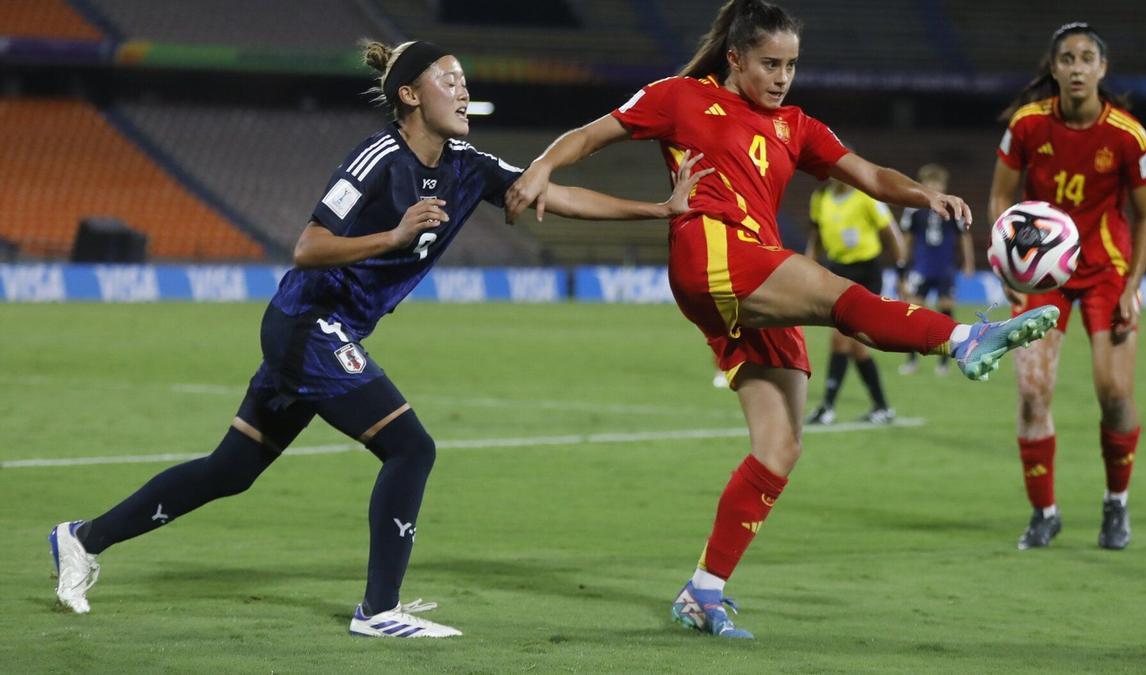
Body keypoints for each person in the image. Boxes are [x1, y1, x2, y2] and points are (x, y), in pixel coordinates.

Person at [47, 39, 707, 637]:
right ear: (410, 95)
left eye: (464, 79)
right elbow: (308, 247)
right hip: (307, 324)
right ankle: (378, 609)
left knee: (231, 470)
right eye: (449, 79)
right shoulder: (377, 158)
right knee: (411, 446)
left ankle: (83, 537)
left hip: (323, 333)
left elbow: (550, 195)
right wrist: (392, 236)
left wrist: (658, 210)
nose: (462, 89)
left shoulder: (467, 165)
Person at [505, 0, 1059, 639]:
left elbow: (870, 174)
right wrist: (542, 165)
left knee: (780, 447)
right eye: (770, 63)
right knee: (834, 295)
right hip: (711, 247)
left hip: (752, 272)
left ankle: (703, 592)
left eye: (792, 65)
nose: (782, 77)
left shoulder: (796, 125)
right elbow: (589, 135)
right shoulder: (680, 97)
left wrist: (923, 194)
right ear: (736, 57)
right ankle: (964, 337)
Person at [988, 22, 1146, 551]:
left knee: (1114, 394)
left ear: (1102, 69)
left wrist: (1133, 286)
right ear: (1055, 68)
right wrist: (1009, 272)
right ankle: (1044, 512)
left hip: (1107, 267)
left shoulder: (1128, 135)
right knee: (1033, 391)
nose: (1077, 67)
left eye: (1087, 58)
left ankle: (1116, 504)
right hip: (1044, 273)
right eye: (1068, 58)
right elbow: (999, 198)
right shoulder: (1026, 126)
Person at [804, 176, 906, 425]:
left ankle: (827, 407)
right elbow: (816, 235)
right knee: (857, 346)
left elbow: (892, 233)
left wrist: (902, 271)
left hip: (866, 273)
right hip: (838, 271)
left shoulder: (866, 198)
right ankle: (882, 407)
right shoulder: (820, 198)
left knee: (840, 340)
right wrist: (808, 264)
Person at [898, 163, 975, 376]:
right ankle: (912, 359)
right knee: (914, 314)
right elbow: (906, 239)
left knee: (945, 313)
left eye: (937, 182)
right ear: (922, 185)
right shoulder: (913, 208)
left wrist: (968, 263)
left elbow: (963, 237)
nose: (933, 186)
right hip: (921, 268)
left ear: (944, 184)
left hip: (945, 269)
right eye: (929, 182)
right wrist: (902, 266)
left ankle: (944, 362)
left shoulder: (952, 208)